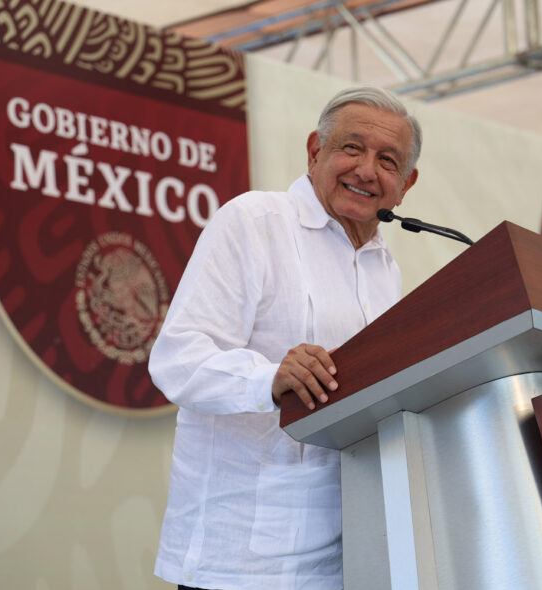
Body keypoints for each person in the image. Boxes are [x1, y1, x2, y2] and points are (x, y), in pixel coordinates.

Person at [148, 86, 421, 590]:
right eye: (351, 148)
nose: (366, 170)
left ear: (406, 184)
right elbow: (178, 359)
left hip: (349, 559)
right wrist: (269, 378)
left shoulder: (387, 269)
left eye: (388, 160)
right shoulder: (254, 222)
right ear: (316, 151)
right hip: (242, 564)